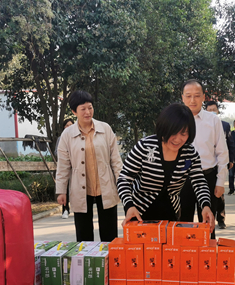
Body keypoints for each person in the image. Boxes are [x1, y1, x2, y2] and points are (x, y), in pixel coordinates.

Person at [118, 103, 215, 229]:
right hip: (139, 213)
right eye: (173, 132)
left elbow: (199, 182)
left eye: (183, 134)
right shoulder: (145, 147)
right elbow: (124, 179)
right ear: (164, 128)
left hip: (171, 212)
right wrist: (129, 205)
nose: (177, 139)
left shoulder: (190, 154)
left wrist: (206, 205)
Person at [55, 90, 122, 242]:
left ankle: (110, 257)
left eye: (90, 107)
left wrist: (122, 185)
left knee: (110, 234)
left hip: (105, 186)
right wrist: (61, 191)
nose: (87, 112)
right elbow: (63, 165)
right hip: (80, 188)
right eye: (83, 109)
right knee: (84, 235)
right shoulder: (67, 135)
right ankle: (86, 257)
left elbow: (116, 160)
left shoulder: (105, 129)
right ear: (74, 111)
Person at [180, 80, 229, 239]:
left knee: (207, 224)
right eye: (188, 96)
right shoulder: (176, 120)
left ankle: (208, 253)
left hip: (207, 177)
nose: (192, 100)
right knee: (183, 224)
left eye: (196, 96)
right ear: (182, 97)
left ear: (203, 97)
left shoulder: (213, 120)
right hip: (182, 179)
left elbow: (222, 152)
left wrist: (220, 182)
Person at [205, 100, 234, 229]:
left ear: (217, 111)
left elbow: (230, 144)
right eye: (209, 110)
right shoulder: (202, 124)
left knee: (219, 193)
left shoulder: (225, 125)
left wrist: (231, 160)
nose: (212, 112)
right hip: (208, 164)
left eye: (214, 110)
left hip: (221, 163)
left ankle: (221, 219)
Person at [57, 118, 75, 219]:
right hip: (66, 167)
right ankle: (65, 209)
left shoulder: (78, 137)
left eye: (71, 125)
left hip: (76, 168)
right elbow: (57, 152)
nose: (69, 127)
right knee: (65, 189)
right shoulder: (61, 138)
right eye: (67, 125)